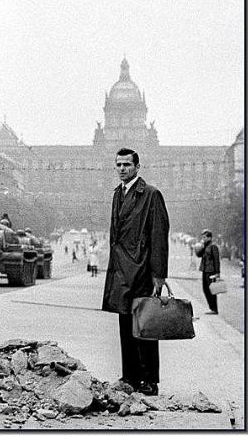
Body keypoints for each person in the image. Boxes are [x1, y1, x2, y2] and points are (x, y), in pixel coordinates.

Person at [102, 147, 169, 397]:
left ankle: (150, 380)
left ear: (137, 167)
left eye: (127, 165)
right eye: (118, 165)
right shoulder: (117, 194)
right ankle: (129, 376)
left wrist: (158, 274)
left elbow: (159, 236)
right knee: (125, 324)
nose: (122, 169)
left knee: (146, 326)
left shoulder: (151, 195)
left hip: (141, 270)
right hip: (121, 271)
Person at [195, 229, 220, 315]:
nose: (203, 239)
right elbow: (198, 255)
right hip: (205, 270)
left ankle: (214, 308)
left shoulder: (213, 246)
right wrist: (201, 246)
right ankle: (211, 307)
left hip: (211, 271)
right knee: (205, 289)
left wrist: (217, 273)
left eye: (205, 237)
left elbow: (217, 260)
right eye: (202, 237)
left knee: (212, 290)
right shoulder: (205, 246)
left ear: (209, 237)